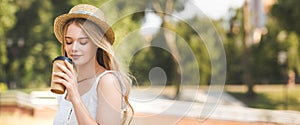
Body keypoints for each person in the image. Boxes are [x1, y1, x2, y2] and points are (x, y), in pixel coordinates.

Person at [52, 4, 133, 125]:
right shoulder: (68, 85)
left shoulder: (107, 82)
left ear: (97, 43)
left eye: (83, 42)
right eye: (69, 42)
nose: (74, 48)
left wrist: (75, 97)